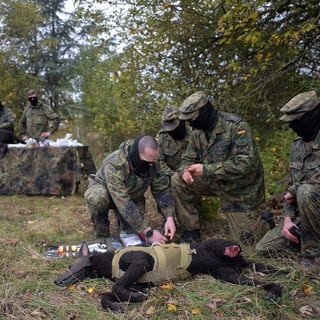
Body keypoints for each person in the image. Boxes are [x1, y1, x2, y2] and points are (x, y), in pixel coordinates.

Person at [171, 91, 267, 243]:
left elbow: (244, 164)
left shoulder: (236, 126)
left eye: (192, 118)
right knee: (177, 180)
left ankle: (265, 222)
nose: (190, 123)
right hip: (215, 182)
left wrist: (206, 169)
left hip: (239, 190)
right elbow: (187, 159)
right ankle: (191, 230)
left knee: (243, 244)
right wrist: (185, 171)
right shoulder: (198, 133)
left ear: (203, 112)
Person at [256, 91, 320, 268]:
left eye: (296, 121)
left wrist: (295, 190)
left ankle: (311, 258)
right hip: (307, 217)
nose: (292, 126)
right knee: (264, 247)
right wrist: (287, 219)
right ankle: (308, 240)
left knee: (305, 190)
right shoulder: (297, 146)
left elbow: (300, 189)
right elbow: (289, 190)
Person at [84, 135, 177, 244]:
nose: (150, 165)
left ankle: (124, 231)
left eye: (153, 161)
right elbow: (122, 200)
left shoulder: (153, 162)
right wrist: (148, 231)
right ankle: (102, 238)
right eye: (147, 161)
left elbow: (161, 190)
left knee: (132, 240)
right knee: (98, 198)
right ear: (137, 155)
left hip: (133, 196)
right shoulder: (115, 163)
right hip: (108, 193)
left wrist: (170, 217)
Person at [157, 106, 192, 176]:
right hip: (172, 177)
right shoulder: (162, 136)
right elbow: (159, 162)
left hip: (194, 174)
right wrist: (174, 175)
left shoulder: (194, 132)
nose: (171, 131)